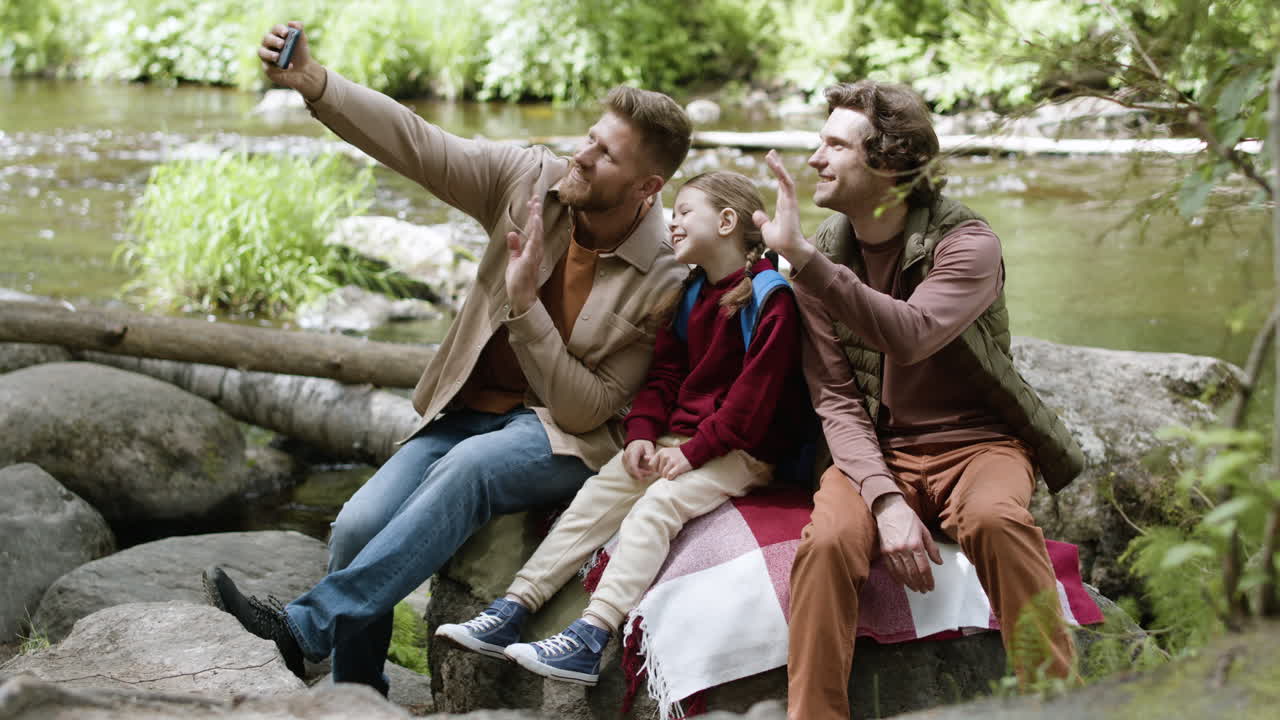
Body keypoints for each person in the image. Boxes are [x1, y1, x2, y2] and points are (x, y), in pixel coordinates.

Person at [201, 21, 691, 696]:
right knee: (356, 528)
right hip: (468, 412)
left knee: (471, 467)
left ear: (647, 187)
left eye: (605, 155)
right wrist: (316, 83)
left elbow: (589, 410)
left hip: (562, 436)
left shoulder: (665, 276)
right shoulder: (531, 180)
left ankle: (303, 628)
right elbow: (420, 144)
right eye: (589, 137)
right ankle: (356, 698)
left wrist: (526, 306)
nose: (581, 156)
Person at [750, 80, 1086, 719]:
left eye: (834, 146)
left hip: (979, 445)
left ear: (889, 162)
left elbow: (911, 335)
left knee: (996, 521)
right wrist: (884, 499)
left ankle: (1059, 706)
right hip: (875, 450)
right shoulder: (824, 252)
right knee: (826, 544)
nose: (815, 158)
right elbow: (837, 399)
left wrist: (803, 261)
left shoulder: (969, 244)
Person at [433, 171, 810, 686]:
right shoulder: (692, 290)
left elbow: (754, 402)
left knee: (657, 506)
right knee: (601, 491)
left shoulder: (770, 299)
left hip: (743, 450)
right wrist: (641, 434)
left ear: (726, 222)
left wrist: (693, 452)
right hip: (682, 439)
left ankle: (591, 636)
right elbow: (665, 375)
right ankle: (515, 606)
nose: (672, 223)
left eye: (685, 212)